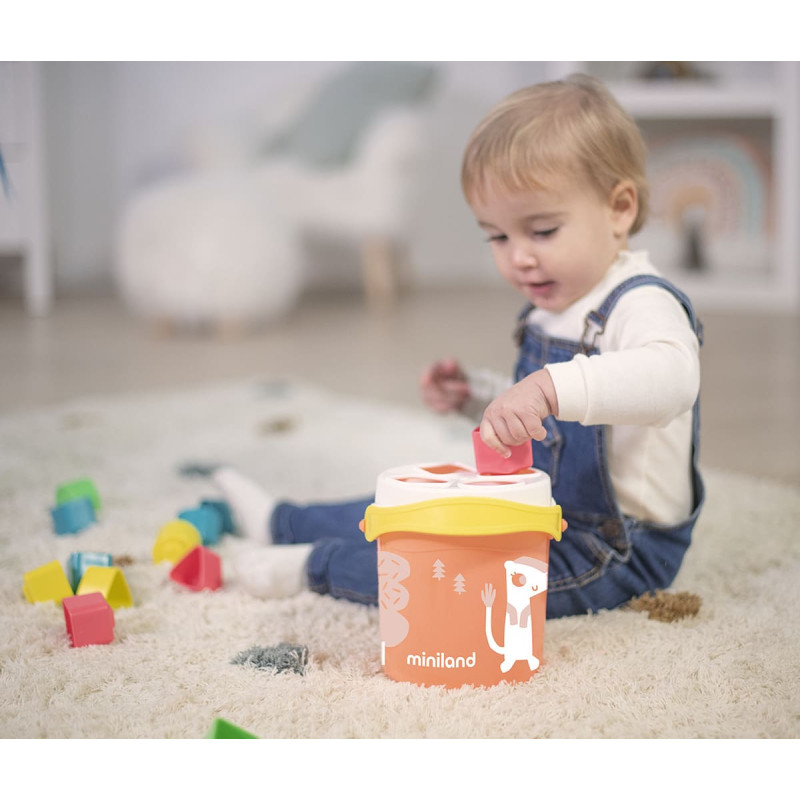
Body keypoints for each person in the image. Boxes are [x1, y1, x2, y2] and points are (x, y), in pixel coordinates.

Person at [202, 74, 704, 618]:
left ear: (620, 208)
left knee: (456, 579)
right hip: (538, 508)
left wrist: (545, 387)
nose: (518, 257)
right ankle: (283, 521)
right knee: (420, 504)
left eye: (542, 231)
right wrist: (482, 398)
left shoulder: (641, 302)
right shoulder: (553, 303)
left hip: (615, 551)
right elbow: (551, 427)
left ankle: (312, 566)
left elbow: (673, 379)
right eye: (498, 236)